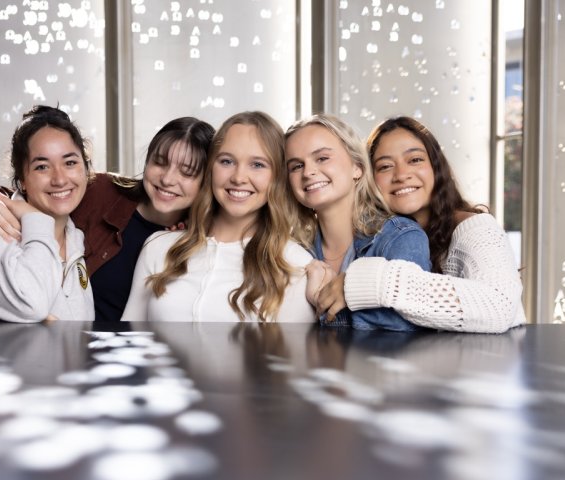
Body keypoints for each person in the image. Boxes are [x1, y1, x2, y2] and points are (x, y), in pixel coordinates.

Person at [0, 116, 215, 321]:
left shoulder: (205, 236)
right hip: (81, 360)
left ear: (206, 181)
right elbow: (41, 194)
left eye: (187, 172)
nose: (168, 179)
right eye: (159, 163)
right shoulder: (103, 192)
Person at [313, 115, 526, 333]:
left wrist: (363, 282)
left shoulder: (477, 228)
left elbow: (497, 307)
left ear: (435, 167)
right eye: (385, 166)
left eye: (415, 160)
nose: (402, 175)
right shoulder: (376, 238)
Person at [121, 111, 315, 323]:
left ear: (277, 177)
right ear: (210, 168)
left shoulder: (295, 263)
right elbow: (130, 338)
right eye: (226, 161)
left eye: (257, 164)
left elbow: (295, 355)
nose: (239, 177)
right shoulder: (158, 247)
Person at [286, 113, 431, 331]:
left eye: (322, 158)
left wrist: (324, 305)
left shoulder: (400, 236)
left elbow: (411, 324)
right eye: (296, 166)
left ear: (357, 167)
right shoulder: (296, 250)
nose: (308, 172)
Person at [0, 105, 94, 322]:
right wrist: (36, 219)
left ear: (86, 169)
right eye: (42, 167)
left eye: (70, 163)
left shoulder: (75, 238)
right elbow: (33, 306)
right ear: (22, 180)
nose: (59, 179)